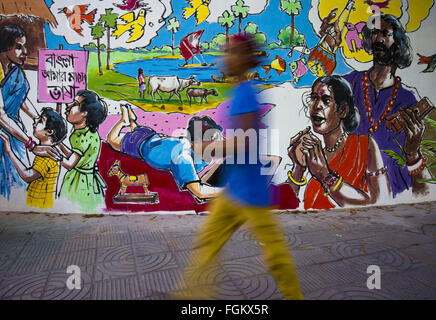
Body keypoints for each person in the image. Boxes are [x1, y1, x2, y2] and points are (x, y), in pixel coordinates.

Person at [177, 34, 303, 300]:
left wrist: (209, 149)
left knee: (275, 255)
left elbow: (244, 143)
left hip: (251, 193)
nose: (225, 57)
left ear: (244, 59)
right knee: (208, 244)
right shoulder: (239, 91)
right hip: (236, 190)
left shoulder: (245, 93)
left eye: (231, 52)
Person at [322, 13, 436, 197]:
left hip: (396, 189)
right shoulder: (349, 83)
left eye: (385, 33)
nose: (378, 38)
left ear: (398, 43)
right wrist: (327, 48)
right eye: (374, 33)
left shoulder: (408, 98)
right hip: (351, 186)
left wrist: (413, 152)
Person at [287, 75, 392, 209]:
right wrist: (298, 168)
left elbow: (382, 203)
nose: (317, 106)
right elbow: (288, 208)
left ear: (342, 110)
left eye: (326, 100)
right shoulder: (316, 156)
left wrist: (325, 175)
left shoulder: (365, 146)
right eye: (314, 98)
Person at [106, 104, 223, 201]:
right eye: (215, 138)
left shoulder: (195, 151)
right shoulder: (183, 157)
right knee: (112, 140)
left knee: (135, 129)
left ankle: (132, 120)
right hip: (139, 143)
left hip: (152, 136)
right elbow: (199, 193)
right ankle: (123, 121)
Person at [0, 24, 61, 200]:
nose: (25, 51)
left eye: (24, 46)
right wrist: (31, 145)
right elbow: (1, 115)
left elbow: (22, 100)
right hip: (7, 132)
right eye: (18, 47)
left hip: (15, 133)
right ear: (5, 47)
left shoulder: (15, 71)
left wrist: (41, 119)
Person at [0, 108, 67, 209]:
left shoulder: (48, 156)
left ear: (49, 131)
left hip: (40, 203)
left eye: (40, 121)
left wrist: (9, 151)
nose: (35, 121)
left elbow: (28, 176)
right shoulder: (46, 152)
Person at [58, 90, 107, 211]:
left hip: (80, 183)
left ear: (85, 113)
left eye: (75, 104)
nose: (68, 105)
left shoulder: (82, 137)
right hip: (87, 179)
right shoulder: (87, 133)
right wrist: (58, 143)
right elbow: (76, 157)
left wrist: (53, 156)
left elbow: (70, 164)